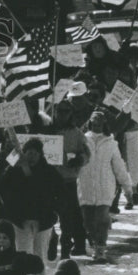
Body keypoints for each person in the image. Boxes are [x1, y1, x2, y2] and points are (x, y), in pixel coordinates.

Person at [0, 137, 64, 275]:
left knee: (39, 253)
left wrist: (53, 212)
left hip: (43, 222)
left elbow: (59, 192)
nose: (31, 156)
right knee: (23, 253)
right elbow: (2, 186)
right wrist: (13, 160)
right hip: (20, 220)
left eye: (35, 153)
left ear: (40, 154)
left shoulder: (48, 171)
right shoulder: (14, 169)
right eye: (28, 152)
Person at [78, 111, 135, 262]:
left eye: (99, 122)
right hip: (86, 186)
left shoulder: (111, 143)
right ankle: (93, 241)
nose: (96, 125)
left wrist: (127, 188)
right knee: (88, 220)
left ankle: (100, 248)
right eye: (94, 122)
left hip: (105, 186)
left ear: (104, 124)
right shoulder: (82, 140)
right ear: (90, 123)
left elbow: (119, 166)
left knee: (102, 218)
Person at [50, 99, 91, 257]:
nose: (62, 114)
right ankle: (51, 242)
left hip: (67, 180)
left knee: (69, 217)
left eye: (66, 111)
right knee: (48, 214)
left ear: (71, 113)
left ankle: (68, 246)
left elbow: (87, 153)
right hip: (49, 180)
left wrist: (79, 159)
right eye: (59, 111)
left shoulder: (76, 133)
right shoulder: (48, 130)